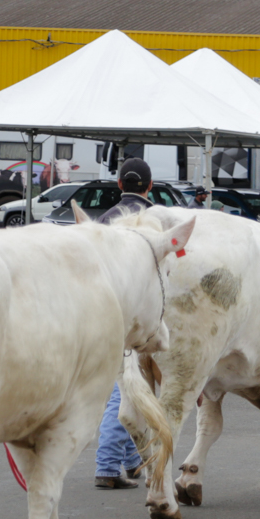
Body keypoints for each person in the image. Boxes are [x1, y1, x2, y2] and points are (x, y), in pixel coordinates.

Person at [94, 157, 156, 488]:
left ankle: (134, 460)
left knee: (127, 387)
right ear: (149, 186)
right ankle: (106, 466)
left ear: (119, 185)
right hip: (141, 320)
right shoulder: (154, 221)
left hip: (107, 315)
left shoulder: (104, 221)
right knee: (127, 393)